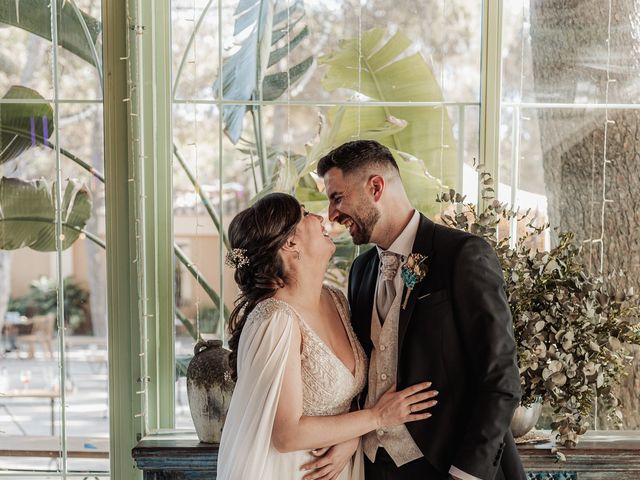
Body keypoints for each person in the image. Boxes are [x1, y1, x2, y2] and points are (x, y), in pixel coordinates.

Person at [308, 140, 525, 480]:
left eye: (337, 197)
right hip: (373, 465)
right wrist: (350, 437)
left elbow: (501, 379)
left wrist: (465, 474)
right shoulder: (362, 271)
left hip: (451, 465)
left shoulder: (462, 254)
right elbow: (365, 373)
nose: (332, 214)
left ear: (375, 187)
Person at [217, 192, 439, 480]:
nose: (321, 218)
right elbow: (286, 434)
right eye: (305, 213)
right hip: (293, 471)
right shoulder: (276, 320)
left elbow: (348, 397)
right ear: (290, 243)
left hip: (341, 466)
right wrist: (377, 418)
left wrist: (353, 436)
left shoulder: (335, 301)